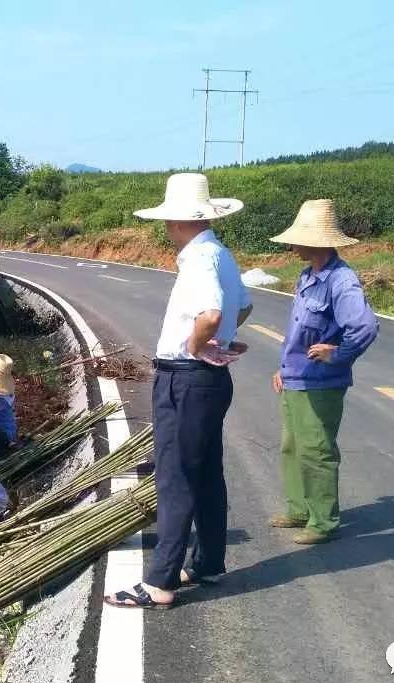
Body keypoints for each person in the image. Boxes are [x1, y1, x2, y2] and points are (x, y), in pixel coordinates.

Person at [105, 172, 252, 609]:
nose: (166, 228)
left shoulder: (198, 260)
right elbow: (243, 305)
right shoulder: (221, 254)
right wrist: (221, 340)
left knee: (175, 477)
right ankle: (207, 561)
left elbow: (210, 312)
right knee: (205, 472)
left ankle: (160, 582)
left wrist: (197, 344)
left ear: (177, 221)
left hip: (185, 378)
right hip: (206, 382)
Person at [268, 199, 379, 544]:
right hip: (296, 377)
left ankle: (323, 521)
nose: (292, 244)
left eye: (298, 238)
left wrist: (339, 354)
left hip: (321, 382)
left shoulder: (341, 280)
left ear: (315, 241)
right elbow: (300, 330)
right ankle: (299, 507)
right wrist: (283, 367)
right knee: (292, 446)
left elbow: (364, 326)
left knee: (316, 449)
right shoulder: (307, 276)